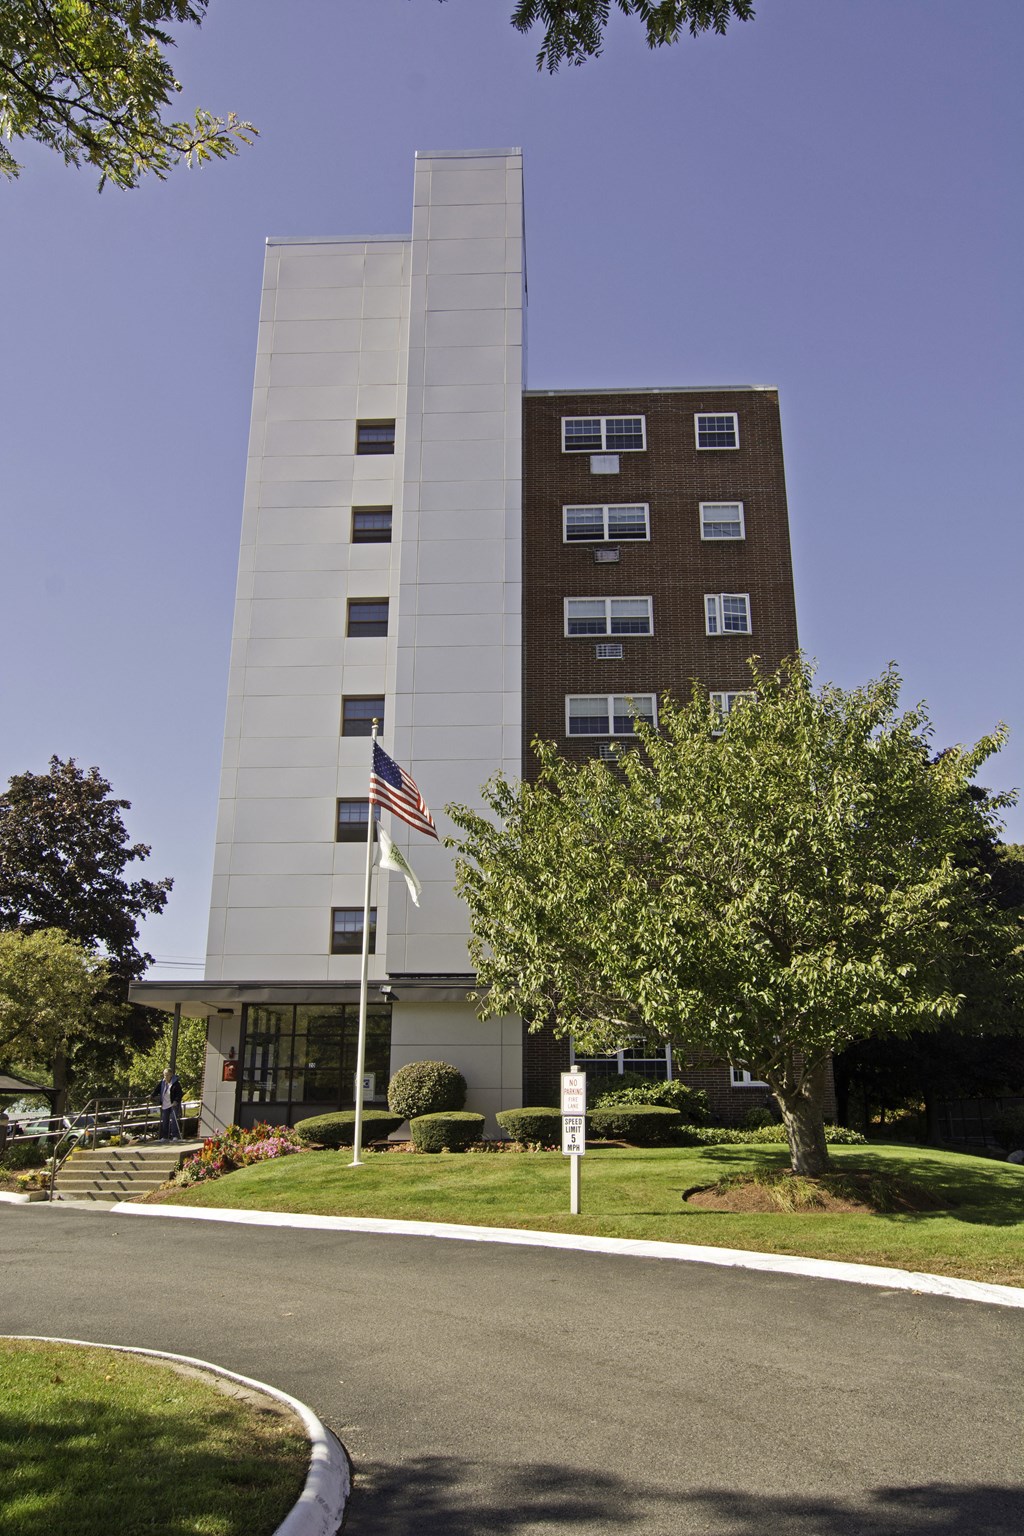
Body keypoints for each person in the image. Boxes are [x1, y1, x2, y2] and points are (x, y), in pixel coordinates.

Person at [153, 1068, 183, 1141]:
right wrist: (151, 1095)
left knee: (174, 1120)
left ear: (171, 1075)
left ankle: (175, 1136)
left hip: (173, 1104)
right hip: (165, 1104)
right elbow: (156, 1090)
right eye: (165, 1075)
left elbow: (179, 1093)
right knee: (165, 1120)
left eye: (167, 1075)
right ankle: (165, 1136)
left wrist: (176, 1101)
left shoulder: (175, 1083)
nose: (165, 1076)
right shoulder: (162, 1082)